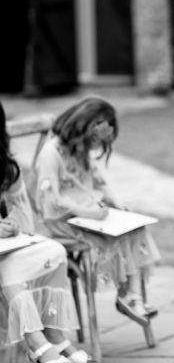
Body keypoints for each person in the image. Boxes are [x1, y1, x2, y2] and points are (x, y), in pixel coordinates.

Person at [33, 97, 161, 326]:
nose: (93, 147)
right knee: (116, 235)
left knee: (135, 228)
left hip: (90, 215)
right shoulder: (50, 154)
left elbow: (99, 182)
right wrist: (87, 212)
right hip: (64, 220)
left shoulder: (79, 151)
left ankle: (132, 295)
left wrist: (116, 202)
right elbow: (51, 201)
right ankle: (128, 295)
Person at [0, 101, 84, 363]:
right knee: (8, 270)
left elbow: (23, 211)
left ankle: (55, 337)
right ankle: (37, 345)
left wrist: (12, 221)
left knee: (55, 251)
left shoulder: (4, 166)